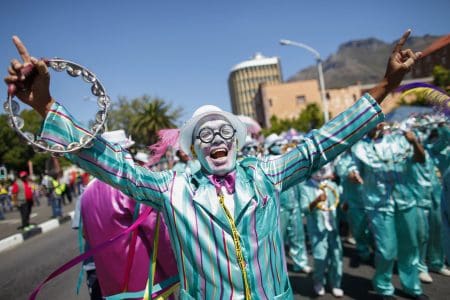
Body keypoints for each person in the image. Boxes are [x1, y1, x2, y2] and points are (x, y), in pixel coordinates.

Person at [4, 31, 422, 299]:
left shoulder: (267, 174)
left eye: (224, 132)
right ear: (195, 147)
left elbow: (321, 145)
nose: (216, 141)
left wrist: (386, 86)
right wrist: (45, 105)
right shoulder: (173, 189)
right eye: (205, 135)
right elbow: (113, 165)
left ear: (238, 142)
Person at [348, 124, 427, 300]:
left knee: (410, 247)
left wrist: (414, 143)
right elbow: (351, 169)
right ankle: (384, 287)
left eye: (379, 120)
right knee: (387, 250)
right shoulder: (359, 147)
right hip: (379, 205)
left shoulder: (401, 139)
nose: (377, 125)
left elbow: (421, 159)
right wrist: (353, 176)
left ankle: (412, 287)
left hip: (405, 201)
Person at [300, 165, 344, 297]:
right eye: (318, 169)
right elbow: (304, 209)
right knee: (320, 257)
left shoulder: (331, 185)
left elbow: (339, 201)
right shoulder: (306, 187)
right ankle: (318, 282)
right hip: (317, 229)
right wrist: (316, 201)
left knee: (337, 256)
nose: (320, 171)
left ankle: (336, 284)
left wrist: (345, 206)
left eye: (323, 169)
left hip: (332, 227)